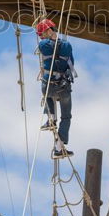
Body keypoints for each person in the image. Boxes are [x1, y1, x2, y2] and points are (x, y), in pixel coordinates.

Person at [36, 19, 77, 158]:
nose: (42, 37)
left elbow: (46, 46)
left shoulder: (43, 45)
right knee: (66, 116)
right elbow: (71, 63)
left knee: (46, 93)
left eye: (43, 33)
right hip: (63, 87)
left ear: (48, 30)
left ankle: (51, 118)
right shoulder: (67, 45)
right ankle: (59, 147)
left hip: (49, 84)